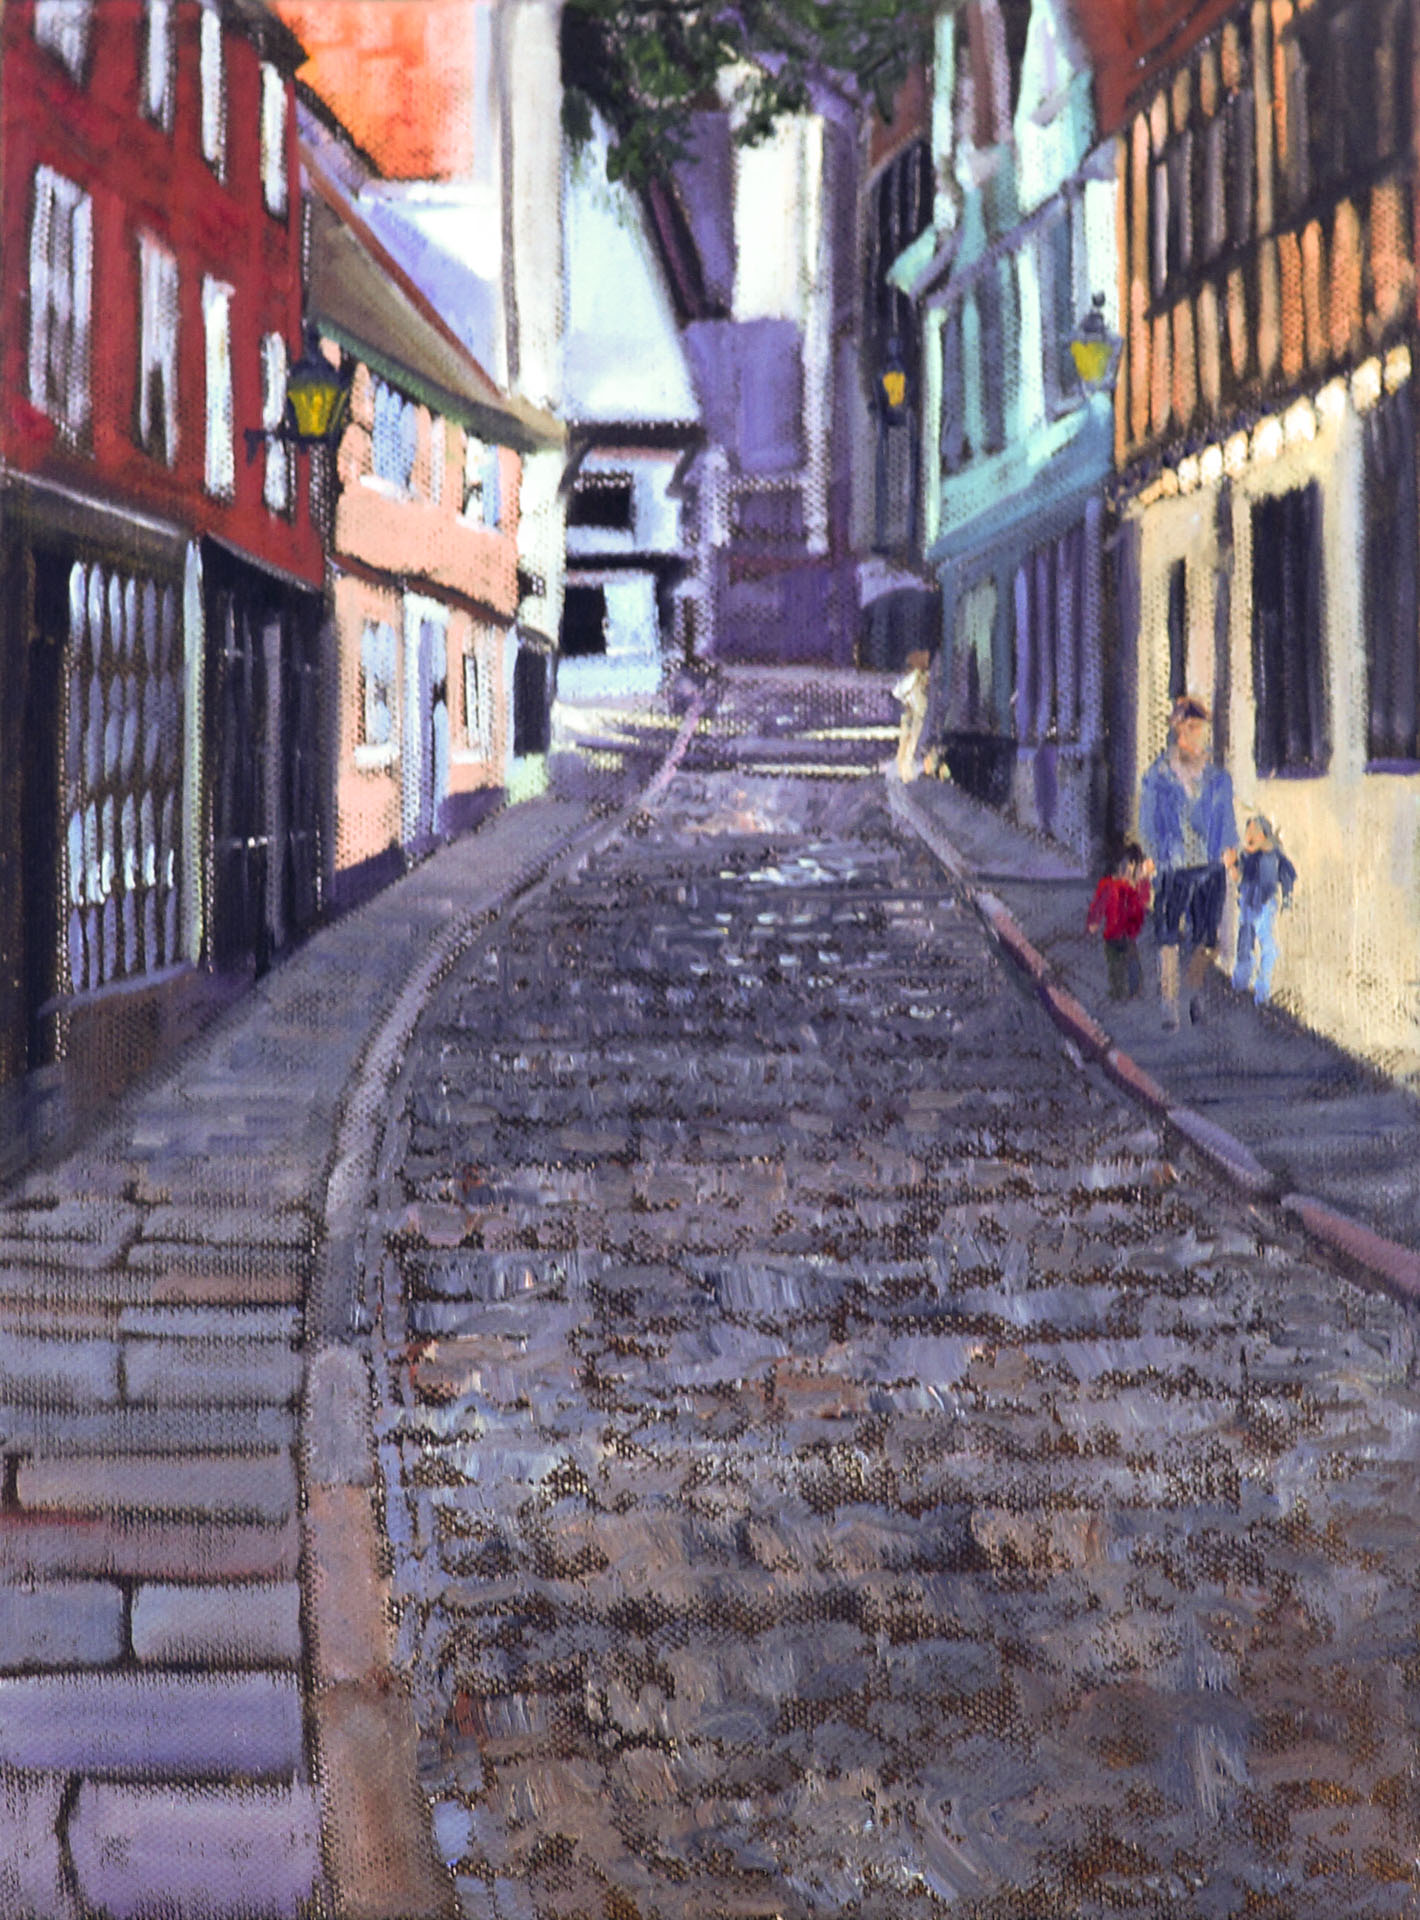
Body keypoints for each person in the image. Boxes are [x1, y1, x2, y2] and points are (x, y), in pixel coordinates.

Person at [1138, 694, 1239, 1030]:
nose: (1194, 735)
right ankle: (1169, 1003)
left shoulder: (1218, 778)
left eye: (1198, 728)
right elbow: (1147, 820)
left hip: (1209, 865)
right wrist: (1152, 854)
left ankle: (1194, 991)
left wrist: (1229, 850)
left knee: (1207, 939)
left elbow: (1226, 819)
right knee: (1168, 934)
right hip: (1173, 865)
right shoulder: (1158, 776)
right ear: (1177, 729)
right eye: (1188, 728)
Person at [1232, 812, 1297, 1005]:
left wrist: (1287, 899)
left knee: (1266, 946)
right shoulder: (1246, 855)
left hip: (1265, 905)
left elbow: (1287, 877)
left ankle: (1262, 991)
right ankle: (1240, 984)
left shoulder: (1274, 855)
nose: (1249, 836)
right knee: (1244, 943)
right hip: (1247, 903)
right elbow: (1240, 876)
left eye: (1253, 831)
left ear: (1263, 834)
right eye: (1248, 831)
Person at [1086, 841, 1155, 1000]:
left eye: (1130, 865)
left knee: (1132, 961)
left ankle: (1134, 990)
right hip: (1112, 933)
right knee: (1115, 963)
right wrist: (1093, 922)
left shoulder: (1137, 886)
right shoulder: (1109, 885)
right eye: (1122, 865)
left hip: (1129, 933)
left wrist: (1143, 879)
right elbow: (1098, 905)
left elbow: (1144, 902)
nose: (1125, 869)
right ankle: (1118, 991)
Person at [893, 650, 931, 782]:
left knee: (910, 735)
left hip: (914, 709)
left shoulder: (918, 679)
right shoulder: (915, 680)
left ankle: (905, 767)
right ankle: (905, 768)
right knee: (911, 735)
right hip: (914, 710)